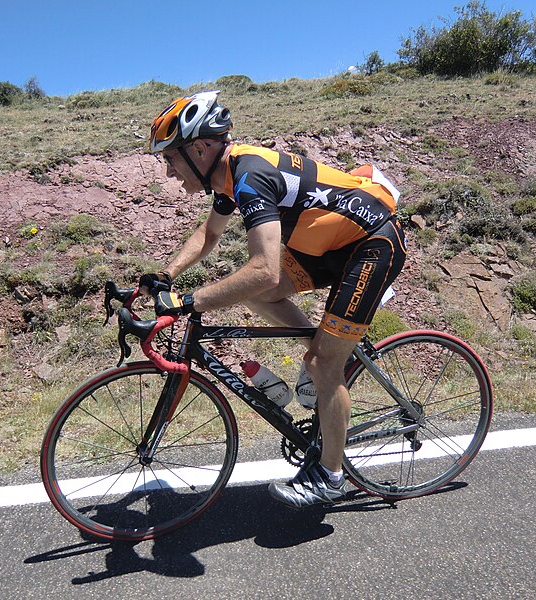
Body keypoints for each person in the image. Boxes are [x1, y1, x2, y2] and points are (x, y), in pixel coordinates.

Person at [140, 90, 406, 508]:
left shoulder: (250, 175)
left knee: (322, 360)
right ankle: (331, 362)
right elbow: (209, 235)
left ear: (200, 148)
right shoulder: (227, 176)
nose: (170, 172)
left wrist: (190, 301)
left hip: (371, 245)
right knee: (264, 301)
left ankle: (330, 476)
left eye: (171, 159)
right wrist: (163, 276)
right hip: (329, 243)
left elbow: (263, 267)